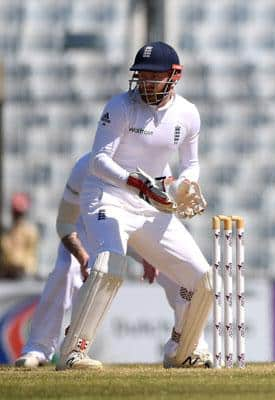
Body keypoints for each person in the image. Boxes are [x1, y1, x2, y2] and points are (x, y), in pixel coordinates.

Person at [57, 41, 208, 370]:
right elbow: (98, 161)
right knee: (109, 263)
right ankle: (72, 352)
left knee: (202, 279)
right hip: (108, 195)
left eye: (154, 77)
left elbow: (191, 165)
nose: (146, 83)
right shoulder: (120, 106)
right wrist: (137, 183)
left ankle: (183, 350)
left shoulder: (188, 114)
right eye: (142, 76)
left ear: (174, 76)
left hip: (150, 204)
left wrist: (183, 185)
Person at [14, 153, 210, 369]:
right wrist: (81, 255)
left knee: (182, 272)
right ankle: (38, 348)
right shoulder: (86, 166)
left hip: (137, 229)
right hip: (89, 228)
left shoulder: (160, 169)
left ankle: (187, 346)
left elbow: (158, 225)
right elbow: (64, 223)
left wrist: (149, 255)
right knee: (66, 270)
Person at [0, 192, 39, 279]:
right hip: (7, 276)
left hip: (25, 276)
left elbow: (30, 258)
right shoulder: (7, 233)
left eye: (20, 214)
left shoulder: (30, 232)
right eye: (16, 214)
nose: (18, 217)